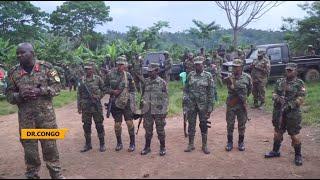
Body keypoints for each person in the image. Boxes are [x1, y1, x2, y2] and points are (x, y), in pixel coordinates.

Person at [5, 43, 65, 179]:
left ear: (32, 53)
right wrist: (19, 96)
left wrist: (41, 91)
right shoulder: (14, 72)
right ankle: (32, 175)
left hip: (46, 119)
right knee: (30, 151)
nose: (19, 55)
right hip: (26, 120)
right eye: (17, 53)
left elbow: (58, 87)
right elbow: (8, 95)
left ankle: (56, 174)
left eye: (22, 53)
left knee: (50, 148)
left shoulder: (47, 68)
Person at [265, 63, 306, 166]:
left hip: (292, 114)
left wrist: (290, 105)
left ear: (295, 71)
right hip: (279, 112)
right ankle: (275, 151)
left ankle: (298, 155)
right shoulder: (280, 81)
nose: (288, 72)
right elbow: (274, 93)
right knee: (277, 132)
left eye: (290, 70)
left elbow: (301, 98)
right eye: (287, 70)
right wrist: (277, 98)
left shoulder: (299, 83)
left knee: (294, 135)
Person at [104, 56, 137, 152]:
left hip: (127, 103)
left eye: (122, 64)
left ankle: (132, 143)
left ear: (125, 65)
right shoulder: (110, 75)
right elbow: (104, 87)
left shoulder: (128, 75)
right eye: (119, 64)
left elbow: (133, 90)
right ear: (116, 64)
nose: (121, 66)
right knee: (117, 124)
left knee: (129, 123)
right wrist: (112, 91)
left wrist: (132, 101)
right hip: (115, 102)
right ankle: (119, 143)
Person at [184, 56, 214, 154]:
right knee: (191, 124)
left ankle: (204, 145)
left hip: (203, 105)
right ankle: (191, 144)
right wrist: (185, 102)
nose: (197, 66)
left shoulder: (208, 76)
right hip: (191, 105)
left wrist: (210, 107)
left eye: (199, 64)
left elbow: (211, 92)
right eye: (196, 64)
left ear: (203, 64)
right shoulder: (190, 75)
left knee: (203, 125)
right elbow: (186, 89)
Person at [224, 59, 252, 152]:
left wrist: (244, 98)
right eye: (234, 66)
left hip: (241, 104)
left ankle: (241, 142)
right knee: (230, 124)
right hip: (231, 104)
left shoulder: (247, 77)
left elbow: (249, 90)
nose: (235, 68)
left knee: (242, 124)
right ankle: (229, 142)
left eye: (237, 67)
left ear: (241, 67)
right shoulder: (229, 77)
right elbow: (227, 86)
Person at [140, 63, 169, 156]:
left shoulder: (162, 82)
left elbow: (166, 98)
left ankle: (162, 147)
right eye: (148, 71)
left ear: (156, 71)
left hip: (159, 111)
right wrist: (142, 107)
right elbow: (143, 95)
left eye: (151, 71)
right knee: (148, 129)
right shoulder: (146, 82)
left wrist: (164, 111)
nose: (149, 73)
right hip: (147, 110)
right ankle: (147, 147)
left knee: (160, 129)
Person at [77, 63, 106, 153]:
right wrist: (79, 106)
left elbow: (104, 89)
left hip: (96, 105)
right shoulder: (81, 80)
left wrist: (98, 97)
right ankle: (88, 144)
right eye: (86, 69)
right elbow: (79, 94)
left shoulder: (98, 79)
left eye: (89, 69)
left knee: (99, 125)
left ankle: (102, 144)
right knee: (86, 125)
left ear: (92, 70)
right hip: (86, 106)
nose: (87, 71)